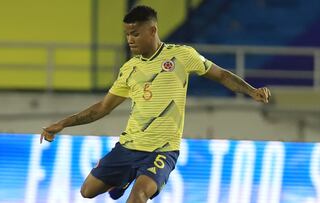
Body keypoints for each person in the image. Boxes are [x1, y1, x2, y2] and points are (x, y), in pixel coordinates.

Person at [40, 5, 271, 203]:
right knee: (86, 192)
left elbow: (221, 75)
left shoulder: (182, 55)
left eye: (135, 33)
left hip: (163, 150)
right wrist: (62, 124)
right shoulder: (129, 69)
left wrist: (251, 91)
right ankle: (121, 179)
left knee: (138, 196)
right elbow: (103, 107)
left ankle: (126, 181)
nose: (130, 39)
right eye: (127, 34)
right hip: (129, 146)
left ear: (152, 30)